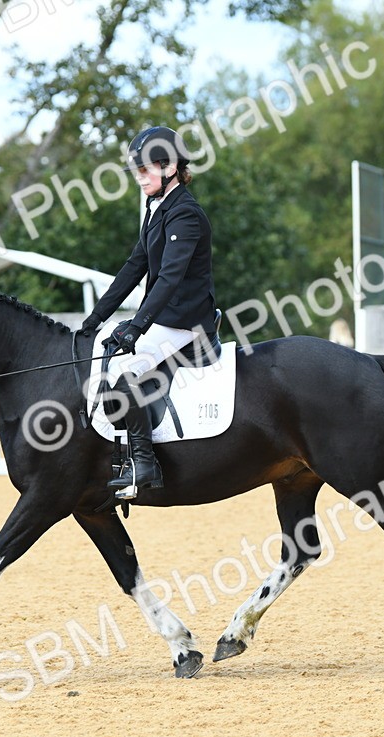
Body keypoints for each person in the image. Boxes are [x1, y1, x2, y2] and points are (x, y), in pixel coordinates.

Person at [78, 125, 216, 497]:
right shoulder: (156, 208)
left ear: (169, 167)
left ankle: (144, 463)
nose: (140, 179)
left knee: (125, 368)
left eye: (145, 170)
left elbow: (169, 279)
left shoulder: (185, 213)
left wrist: (136, 327)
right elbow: (133, 267)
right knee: (104, 349)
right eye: (137, 172)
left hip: (185, 322)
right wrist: (95, 319)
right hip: (166, 317)